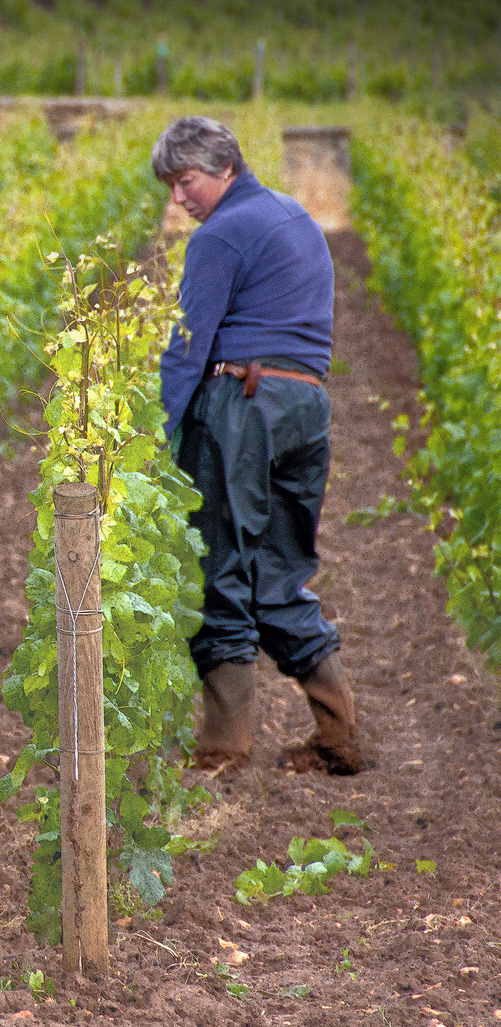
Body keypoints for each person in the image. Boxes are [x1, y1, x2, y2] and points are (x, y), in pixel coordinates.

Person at [153, 116, 366, 776]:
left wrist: (160, 437)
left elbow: (189, 347)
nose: (180, 199)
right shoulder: (293, 215)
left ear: (223, 168)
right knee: (280, 572)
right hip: (305, 405)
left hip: (242, 405)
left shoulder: (220, 235)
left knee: (217, 562)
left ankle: (223, 746)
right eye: (172, 185)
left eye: (186, 182)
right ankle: (340, 733)